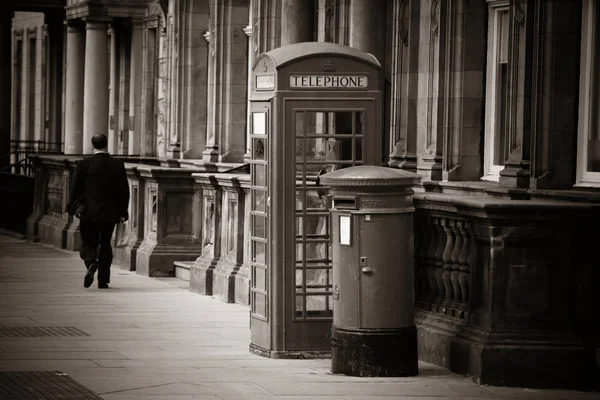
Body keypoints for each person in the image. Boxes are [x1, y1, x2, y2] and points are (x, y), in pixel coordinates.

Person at [67, 133, 129, 289]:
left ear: (91, 145)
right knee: (106, 243)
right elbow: (124, 190)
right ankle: (103, 280)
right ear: (106, 144)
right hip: (110, 213)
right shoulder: (117, 164)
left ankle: (91, 263)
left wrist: (73, 206)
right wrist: (123, 211)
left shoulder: (84, 164)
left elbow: (75, 189)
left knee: (88, 243)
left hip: (89, 212)